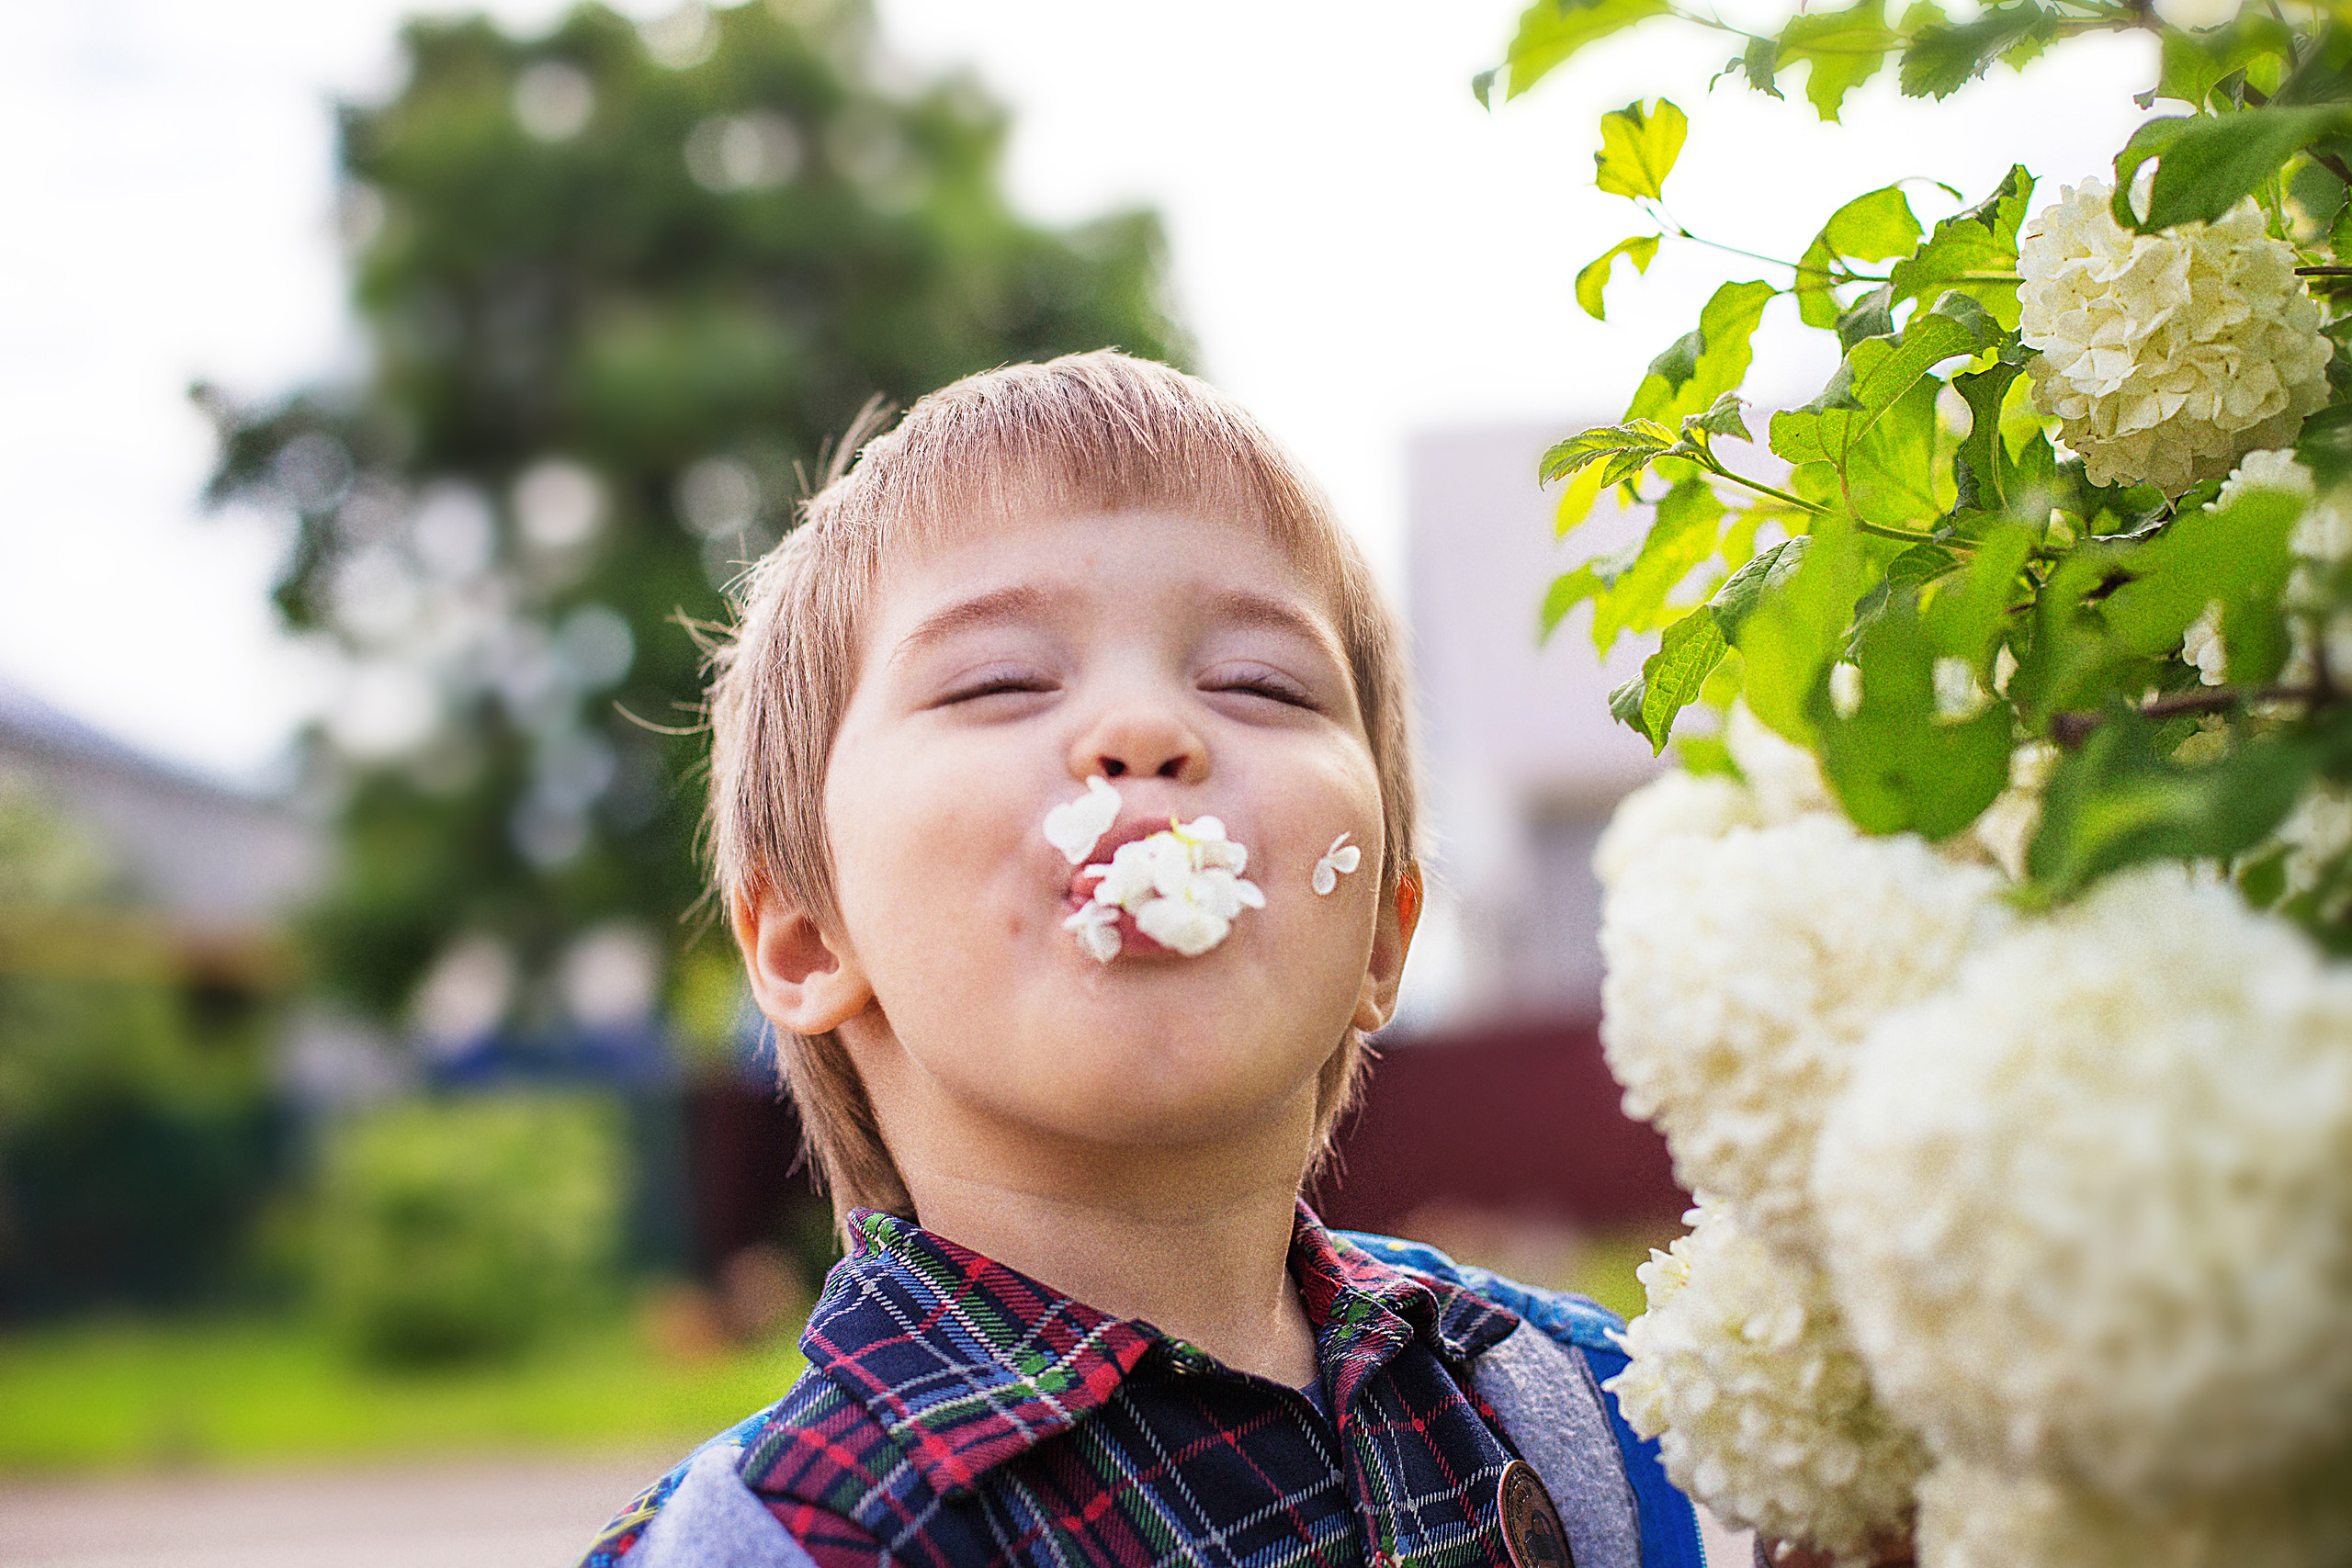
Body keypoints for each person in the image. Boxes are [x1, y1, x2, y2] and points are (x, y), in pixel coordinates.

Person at [581, 351, 1705, 1568]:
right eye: (1001, 681)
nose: (1148, 731)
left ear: (1383, 934)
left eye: (1258, 684)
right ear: (811, 938)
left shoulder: (1585, 1422)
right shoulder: (771, 1544)